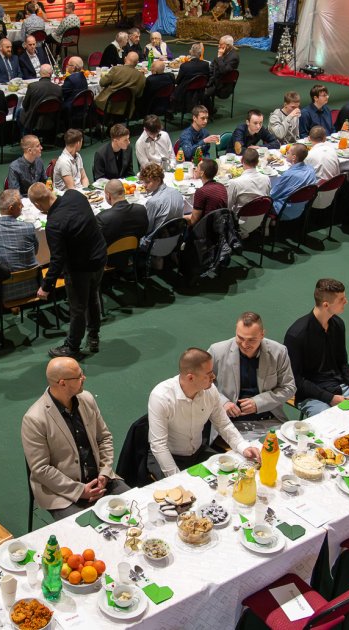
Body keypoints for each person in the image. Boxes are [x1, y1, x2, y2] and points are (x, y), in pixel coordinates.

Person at [22, 357, 128, 518]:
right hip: (63, 493)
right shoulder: (34, 419)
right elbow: (41, 469)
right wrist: (80, 491)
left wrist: (105, 472)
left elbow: (104, 438)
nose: (84, 378)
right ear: (62, 383)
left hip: (101, 480)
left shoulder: (87, 399)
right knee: (86, 531)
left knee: (136, 507)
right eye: (79, 376)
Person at [147, 348, 260, 478]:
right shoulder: (161, 397)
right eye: (209, 374)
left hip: (198, 452)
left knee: (236, 476)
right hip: (168, 457)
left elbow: (223, 424)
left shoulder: (210, 391)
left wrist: (243, 446)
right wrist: (177, 478)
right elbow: (159, 446)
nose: (214, 377)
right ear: (191, 378)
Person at [29, 183, 107, 357]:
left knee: (78, 308)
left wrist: (46, 286)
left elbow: (57, 260)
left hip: (80, 269)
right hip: (99, 257)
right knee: (93, 297)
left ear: (37, 205)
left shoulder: (54, 224)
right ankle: (93, 336)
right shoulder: (75, 195)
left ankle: (72, 347)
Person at [208, 312, 296, 441]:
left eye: (251, 340)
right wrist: (223, 402)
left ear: (262, 335)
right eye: (240, 338)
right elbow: (202, 386)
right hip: (230, 423)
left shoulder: (279, 352)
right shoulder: (217, 351)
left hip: (269, 420)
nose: (245, 344)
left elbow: (289, 387)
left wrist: (259, 402)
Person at [284, 279, 349, 418]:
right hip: (311, 395)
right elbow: (296, 379)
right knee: (330, 420)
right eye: (341, 299)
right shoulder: (296, 335)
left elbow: (343, 364)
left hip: (339, 386)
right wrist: (330, 398)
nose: (346, 301)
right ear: (326, 305)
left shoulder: (338, 325)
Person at [0, 189, 39, 300]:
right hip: (31, 287)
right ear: (11, 208)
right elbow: (35, 252)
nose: (23, 206)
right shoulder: (28, 227)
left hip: (1, 292)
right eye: (20, 204)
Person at [269, 144, 318, 220]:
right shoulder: (311, 169)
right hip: (300, 208)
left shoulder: (289, 175)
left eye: (288, 152)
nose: (286, 154)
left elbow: (272, 195)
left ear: (294, 157)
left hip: (283, 210)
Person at [97, 180, 148, 246]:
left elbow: (98, 242)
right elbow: (143, 232)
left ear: (108, 195)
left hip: (111, 251)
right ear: (124, 192)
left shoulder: (102, 217)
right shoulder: (141, 209)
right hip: (134, 249)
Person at [139, 162, 185, 234]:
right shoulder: (177, 192)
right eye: (143, 182)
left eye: (147, 182)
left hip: (156, 239)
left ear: (158, 180)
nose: (144, 185)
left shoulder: (153, 202)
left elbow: (147, 229)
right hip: (177, 236)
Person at [96, 52, 146, 119]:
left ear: (125, 59)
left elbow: (102, 83)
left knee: (94, 102)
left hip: (108, 106)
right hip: (127, 109)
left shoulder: (116, 69)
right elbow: (139, 95)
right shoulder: (141, 77)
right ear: (137, 63)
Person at [18, 64, 61, 135]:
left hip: (33, 119)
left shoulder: (32, 86)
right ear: (51, 74)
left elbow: (25, 105)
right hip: (51, 119)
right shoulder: (58, 88)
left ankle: (24, 136)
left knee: (18, 111)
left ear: (40, 73)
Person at [53, 129, 89, 193]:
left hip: (79, 191)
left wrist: (86, 191)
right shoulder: (64, 162)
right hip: (67, 195)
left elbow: (84, 178)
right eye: (81, 141)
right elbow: (71, 188)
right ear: (78, 143)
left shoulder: (78, 156)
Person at [208, 35, 240, 101]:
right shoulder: (223, 52)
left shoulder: (234, 58)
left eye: (220, 44)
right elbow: (212, 65)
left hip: (222, 87)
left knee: (202, 93)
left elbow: (223, 71)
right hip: (214, 80)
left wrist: (219, 57)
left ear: (227, 46)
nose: (218, 46)